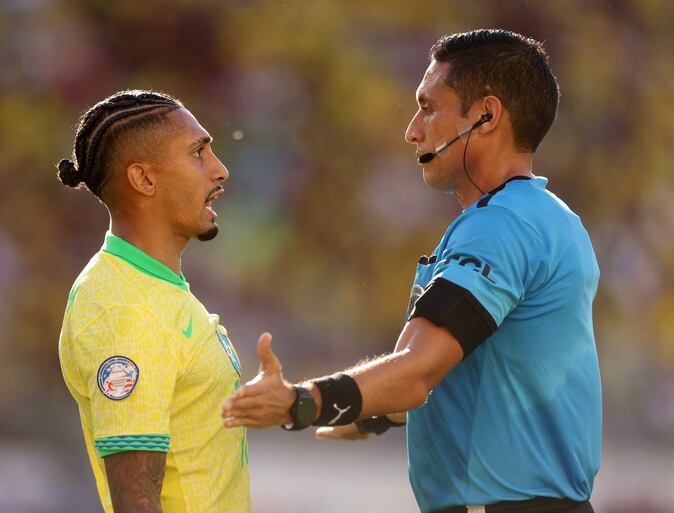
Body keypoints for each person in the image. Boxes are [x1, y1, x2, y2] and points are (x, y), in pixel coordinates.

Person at [222, 29, 601, 513]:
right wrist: (373, 413)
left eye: (428, 107)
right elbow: (471, 373)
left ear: (486, 115)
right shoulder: (546, 217)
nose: (412, 130)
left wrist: (300, 402)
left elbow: (417, 373)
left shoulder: (500, 226)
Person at [57, 90, 250, 513]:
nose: (220, 170)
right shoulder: (126, 310)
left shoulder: (153, 287)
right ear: (144, 179)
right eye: (198, 153)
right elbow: (136, 501)